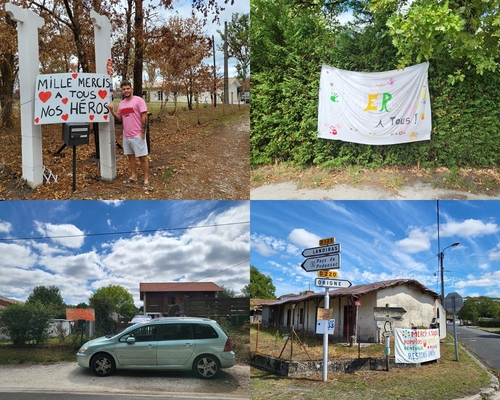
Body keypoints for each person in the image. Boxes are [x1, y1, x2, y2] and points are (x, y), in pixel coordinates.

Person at [106, 81, 150, 189]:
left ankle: (146, 178)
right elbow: (120, 118)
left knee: (142, 157)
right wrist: (112, 111)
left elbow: (144, 116)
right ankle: (133, 176)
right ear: (122, 91)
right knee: (131, 156)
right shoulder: (122, 104)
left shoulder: (139, 100)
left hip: (137, 134)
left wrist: (143, 132)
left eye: (127, 88)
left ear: (131, 89)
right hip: (126, 135)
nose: (126, 91)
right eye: (124, 89)